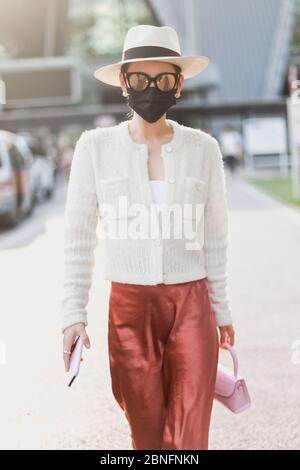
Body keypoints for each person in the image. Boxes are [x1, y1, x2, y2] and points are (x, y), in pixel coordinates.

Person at [61, 24, 235, 451]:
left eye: (164, 80)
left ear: (178, 85)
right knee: (147, 435)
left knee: (190, 434)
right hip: (129, 307)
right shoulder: (93, 148)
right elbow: (79, 237)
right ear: (124, 81)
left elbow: (215, 237)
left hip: (192, 304)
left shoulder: (204, 149)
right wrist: (72, 313)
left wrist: (221, 308)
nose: (152, 89)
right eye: (140, 79)